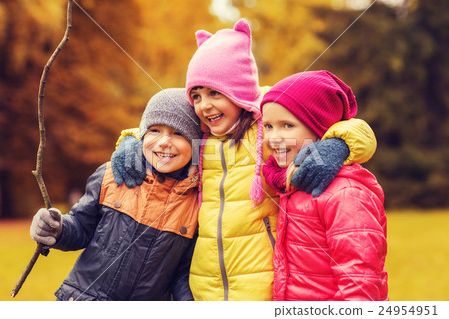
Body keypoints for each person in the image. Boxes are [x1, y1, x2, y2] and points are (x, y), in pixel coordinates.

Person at [111, 19, 377, 301]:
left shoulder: (268, 122)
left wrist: (336, 144)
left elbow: (356, 128)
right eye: (197, 95)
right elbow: (160, 128)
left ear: (239, 91)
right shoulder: (202, 132)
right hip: (205, 286)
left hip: (260, 284)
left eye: (215, 93)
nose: (205, 105)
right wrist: (131, 141)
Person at [29, 88, 203, 301]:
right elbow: (81, 227)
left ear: (195, 145)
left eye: (178, 133)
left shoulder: (195, 202)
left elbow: (182, 274)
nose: (164, 141)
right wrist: (58, 229)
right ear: (142, 134)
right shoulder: (111, 175)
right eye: (155, 130)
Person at [262, 70, 388, 301]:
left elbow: (359, 282)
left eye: (287, 126)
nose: (273, 138)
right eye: (268, 126)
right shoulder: (291, 184)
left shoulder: (346, 193)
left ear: (320, 129)